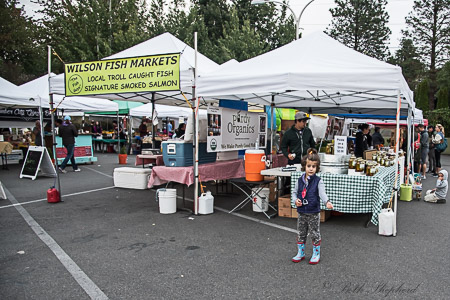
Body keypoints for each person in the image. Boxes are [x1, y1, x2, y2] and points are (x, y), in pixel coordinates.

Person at [292, 148, 333, 265]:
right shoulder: (299, 180)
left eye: (313, 167)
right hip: (301, 212)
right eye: (309, 166)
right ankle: (301, 252)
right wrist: (296, 201)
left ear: (317, 168)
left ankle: (316, 253)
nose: (311, 169)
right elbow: (294, 193)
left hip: (313, 212)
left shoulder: (318, 181)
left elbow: (322, 193)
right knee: (301, 232)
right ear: (304, 166)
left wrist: (327, 202)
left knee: (315, 233)